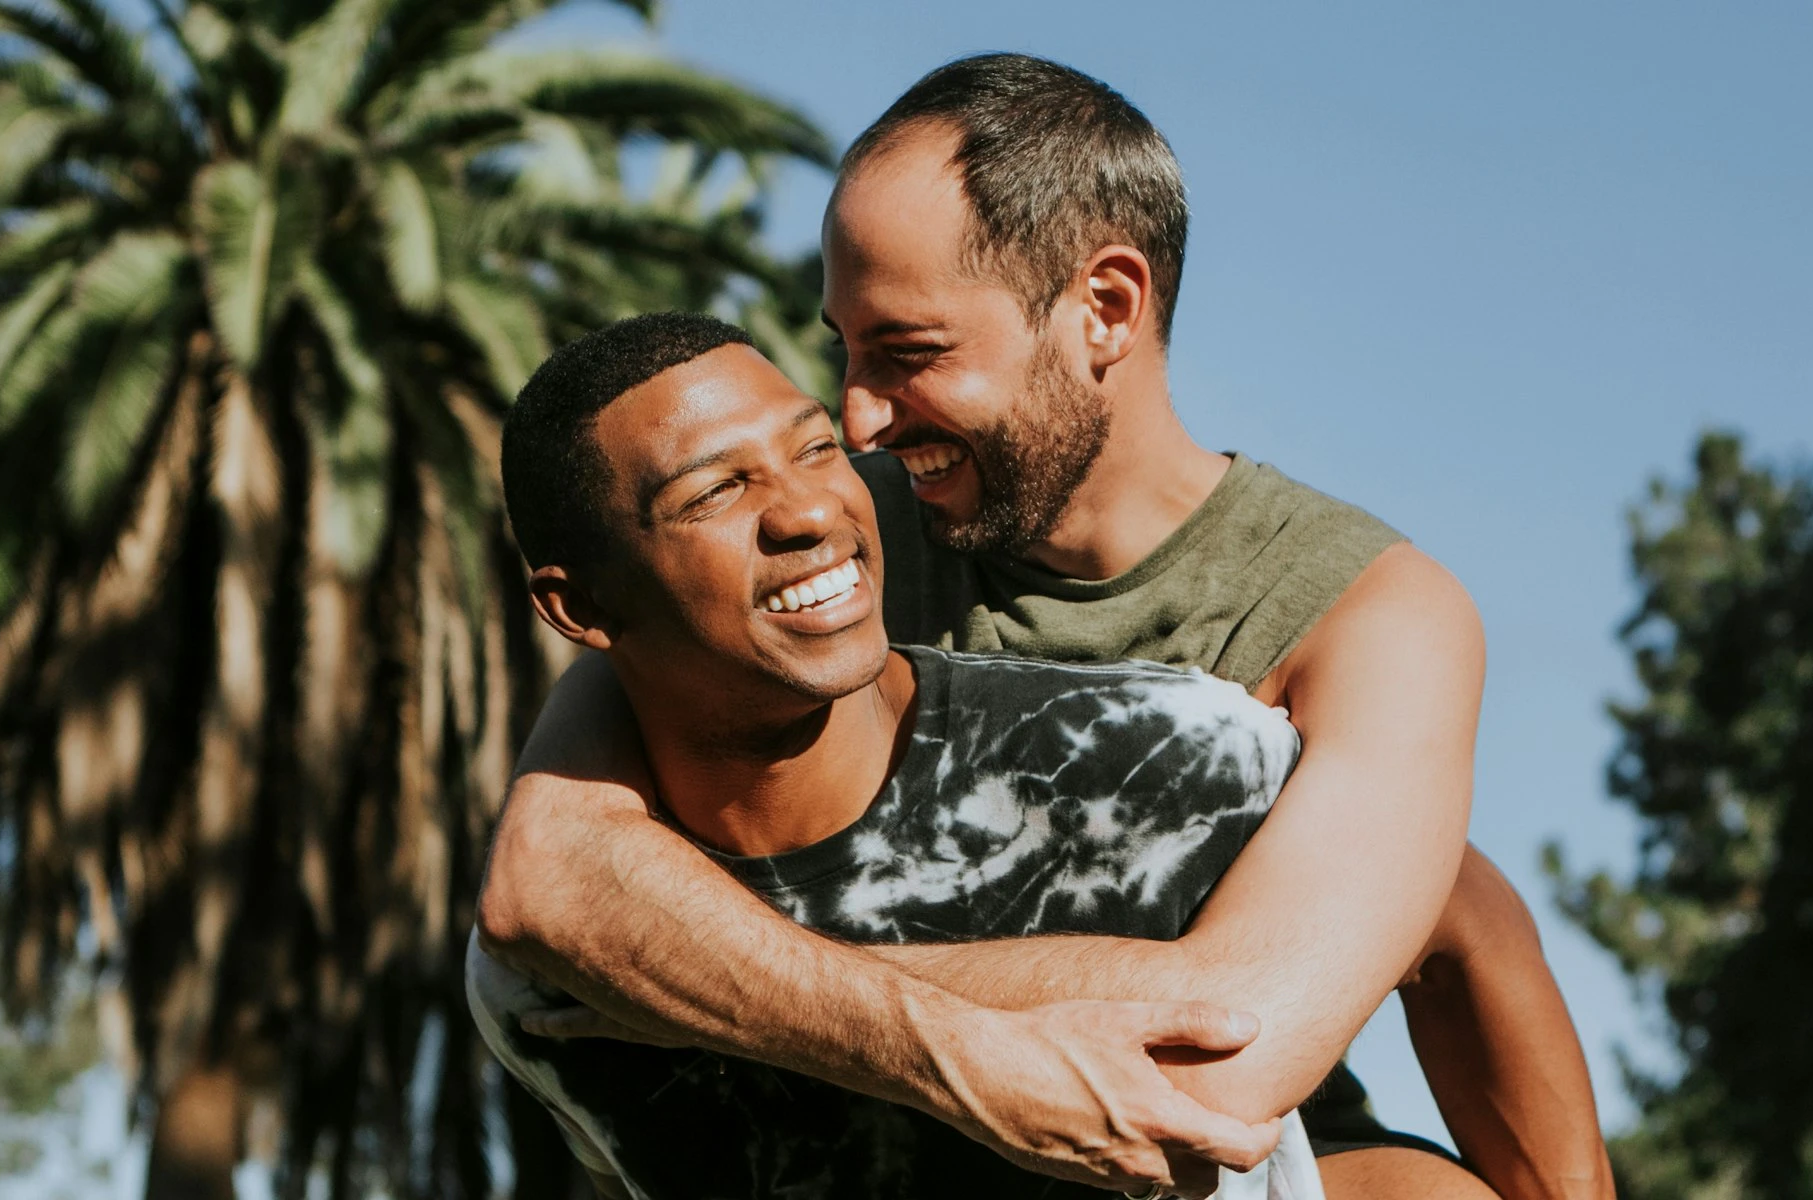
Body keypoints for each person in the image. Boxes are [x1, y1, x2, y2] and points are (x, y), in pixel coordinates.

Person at [475, 54, 1613, 1200]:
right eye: (842, 353)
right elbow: (553, 885)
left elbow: (1229, 1053)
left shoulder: (1364, 615)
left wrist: (724, 990)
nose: (858, 419)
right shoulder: (817, 552)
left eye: (908, 354)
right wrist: (853, 1017)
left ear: (1103, 309)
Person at [473, 310, 1322, 1199]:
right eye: (715, 492)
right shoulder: (553, 991)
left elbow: (1435, 909)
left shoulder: (1155, 764)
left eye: (815, 448)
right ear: (581, 611)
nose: (809, 510)